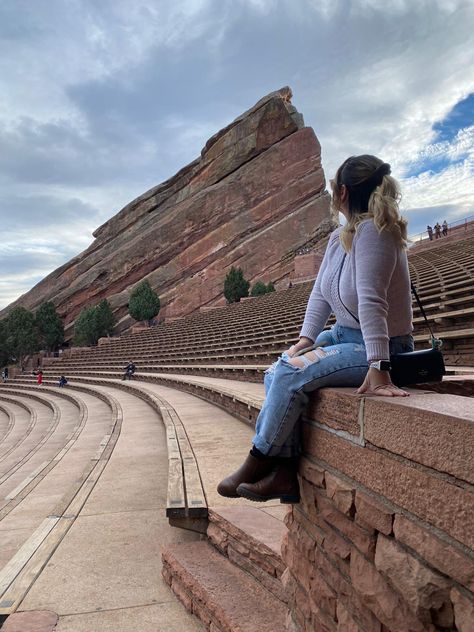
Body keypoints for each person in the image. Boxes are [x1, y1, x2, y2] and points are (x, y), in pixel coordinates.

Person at [217, 155, 414, 504]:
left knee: (290, 375)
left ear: (341, 192)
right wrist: (305, 340)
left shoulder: (374, 231)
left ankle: (257, 461)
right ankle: (284, 473)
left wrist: (379, 366)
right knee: (277, 369)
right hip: (344, 335)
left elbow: (371, 301)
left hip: (380, 347)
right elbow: (320, 294)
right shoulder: (339, 238)